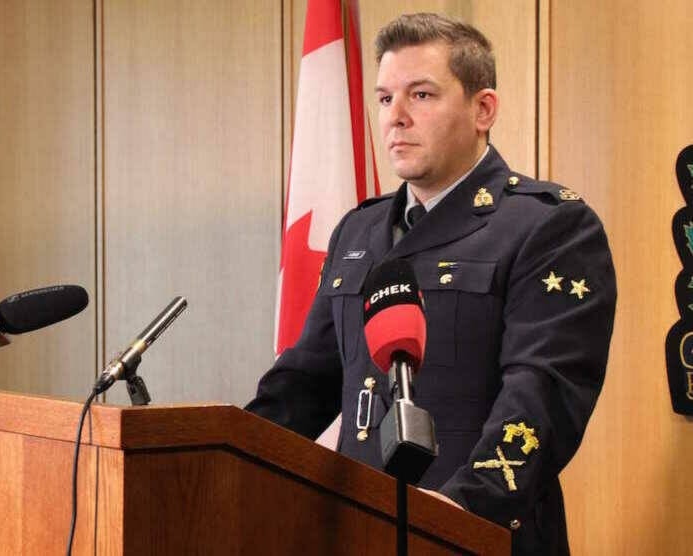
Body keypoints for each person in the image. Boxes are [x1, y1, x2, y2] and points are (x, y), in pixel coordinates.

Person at [245, 12, 616, 555]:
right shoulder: (358, 229)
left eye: (420, 95)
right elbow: (303, 385)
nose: (395, 118)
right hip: (358, 533)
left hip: (474, 535)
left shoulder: (549, 226)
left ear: (483, 108)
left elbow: (542, 396)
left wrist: (463, 511)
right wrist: (225, 453)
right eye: (384, 98)